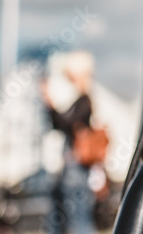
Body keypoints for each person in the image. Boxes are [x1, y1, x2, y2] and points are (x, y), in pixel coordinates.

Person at [41, 51, 97, 234]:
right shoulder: (82, 100)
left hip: (76, 168)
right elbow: (60, 123)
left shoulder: (85, 100)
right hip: (71, 168)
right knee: (64, 214)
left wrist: (49, 102)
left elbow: (64, 122)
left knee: (78, 218)